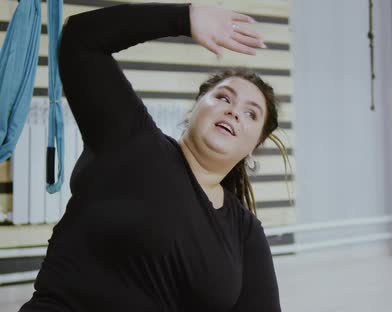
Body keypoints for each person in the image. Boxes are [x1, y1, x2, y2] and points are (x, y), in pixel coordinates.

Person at [19, 2, 285, 311]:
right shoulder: (131, 141)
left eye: (251, 114)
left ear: (255, 145)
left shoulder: (244, 232)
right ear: (196, 106)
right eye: (223, 97)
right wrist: (185, 18)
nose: (234, 112)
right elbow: (82, 39)